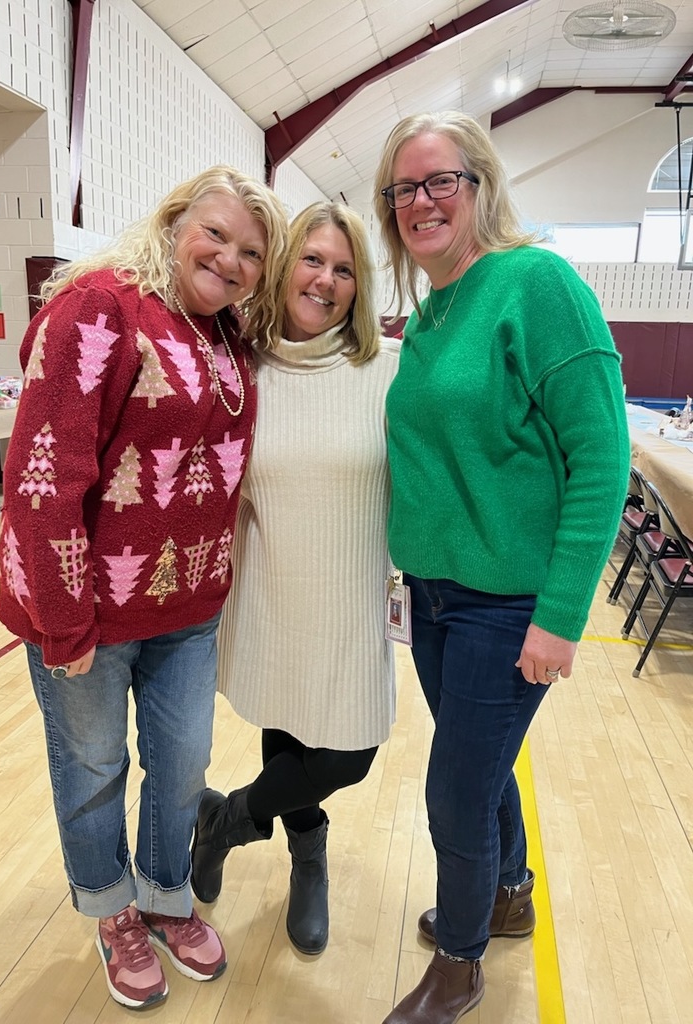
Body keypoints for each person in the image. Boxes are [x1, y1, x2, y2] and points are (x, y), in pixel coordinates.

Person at [0, 166, 288, 1010]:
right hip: (86, 609)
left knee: (183, 761)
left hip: (187, 608)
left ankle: (165, 891)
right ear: (173, 222)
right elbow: (44, 476)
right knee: (92, 766)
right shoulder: (101, 306)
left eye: (249, 253)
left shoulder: (228, 336)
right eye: (216, 235)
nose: (230, 260)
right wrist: (63, 619)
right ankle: (112, 909)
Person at [372, 112, 630, 1023]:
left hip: (506, 602)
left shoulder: (538, 282)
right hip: (437, 599)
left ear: (481, 184)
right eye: (403, 189)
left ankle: (462, 961)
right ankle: (509, 891)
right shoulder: (435, 310)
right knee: (483, 771)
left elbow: (601, 458)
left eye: (440, 180)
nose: (421, 202)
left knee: (453, 789)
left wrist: (560, 616)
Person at [190, 201, 400, 955]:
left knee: (351, 750)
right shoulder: (244, 371)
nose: (326, 279)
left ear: (360, 286)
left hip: (350, 601)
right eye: (312, 260)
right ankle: (307, 861)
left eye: (344, 269)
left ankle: (224, 822)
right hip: (273, 593)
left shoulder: (389, 368)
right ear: (283, 269)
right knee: (287, 729)